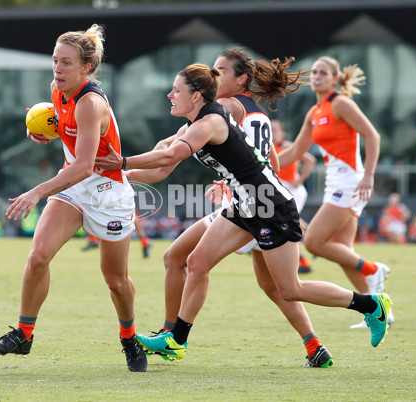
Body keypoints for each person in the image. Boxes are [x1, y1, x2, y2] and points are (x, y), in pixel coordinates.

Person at [95, 63, 392, 364]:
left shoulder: (211, 121)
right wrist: (120, 173)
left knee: (289, 289)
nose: (170, 94)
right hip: (244, 206)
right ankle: (176, 340)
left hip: (270, 206)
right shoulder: (193, 125)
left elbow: (172, 155)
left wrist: (120, 162)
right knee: (196, 262)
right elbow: (162, 162)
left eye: (176, 90)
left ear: (196, 96)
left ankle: (370, 305)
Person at [126, 48, 332, 367]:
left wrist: (235, 181)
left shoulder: (224, 106)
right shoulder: (257, 112)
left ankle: (172, 336)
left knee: (187, 260)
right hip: (256, 200)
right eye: (213, 69)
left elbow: (183, 145)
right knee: (268, 284)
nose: (214, 75)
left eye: (221, 71)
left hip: (248, 204)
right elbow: (269, 160)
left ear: (241, 80)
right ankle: (314, 346)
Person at [0, 25, 147, 372]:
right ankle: (24, 334)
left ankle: (129, 338)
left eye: (66, 63)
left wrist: (37, 190)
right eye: (55, 61)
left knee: (115, 281)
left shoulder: (91, 103)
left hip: (108, 194)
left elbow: (86, 166)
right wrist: (45, 129)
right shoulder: (56, 91)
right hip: (73, 188)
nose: (58, 69)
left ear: (86, 69)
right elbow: (66, 132)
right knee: (37, 257)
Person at [277, 56, 393, 329]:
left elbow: (373, 135)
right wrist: (257, 165)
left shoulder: (340, 103)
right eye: (314, 72)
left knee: (315, 242)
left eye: (323, 72)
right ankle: (378, 312)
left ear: (335, 79)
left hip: (350, 182)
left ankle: (373, 269)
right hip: (335, 184)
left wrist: (369, 175)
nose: (316, 76)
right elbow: (295, 152)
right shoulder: (315, 111)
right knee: (343, 253)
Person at [271, 119, 316, 273]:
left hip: (292, 190)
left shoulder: (286, 146)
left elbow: (310, 160)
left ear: (283, 133)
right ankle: (313, 241)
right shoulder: (267, 147)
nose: (272, 132)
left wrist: (300, 179)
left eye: (275, 129)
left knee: (287, 222)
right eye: (270, 128)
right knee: (290, 222)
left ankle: (311, 247)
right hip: (281, 190)